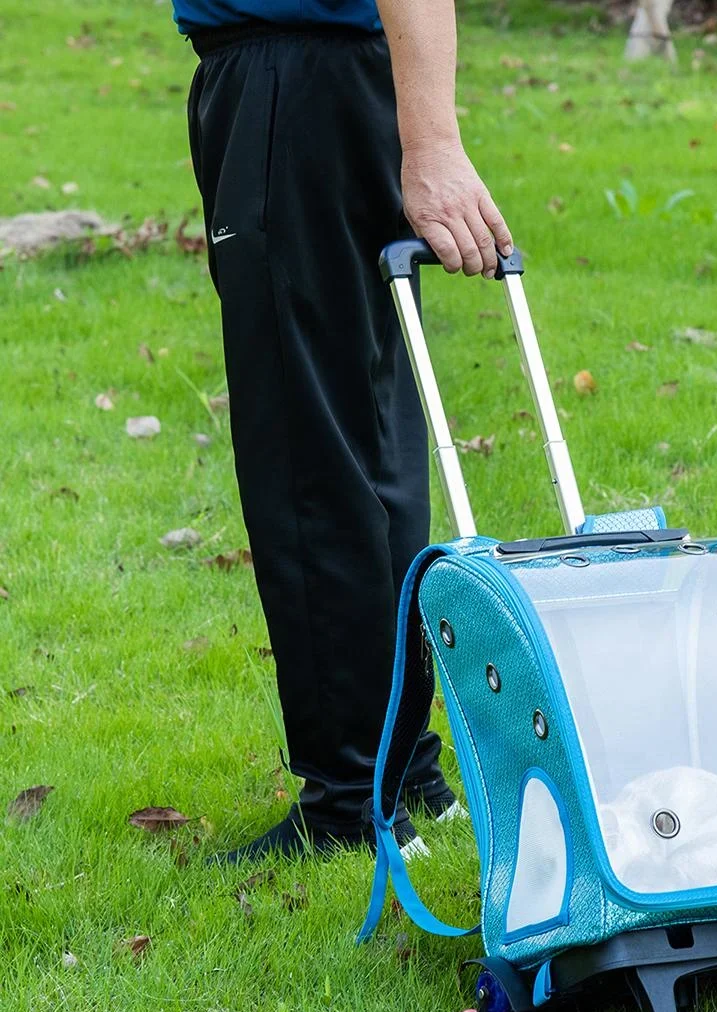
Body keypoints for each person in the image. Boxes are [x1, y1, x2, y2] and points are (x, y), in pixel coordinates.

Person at [175, 0, 512, 863]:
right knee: (365, 439)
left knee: (307, 454)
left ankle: (349, 805)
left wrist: (434, 142)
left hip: (293, 91)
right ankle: (398, 770)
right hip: (341, 83)